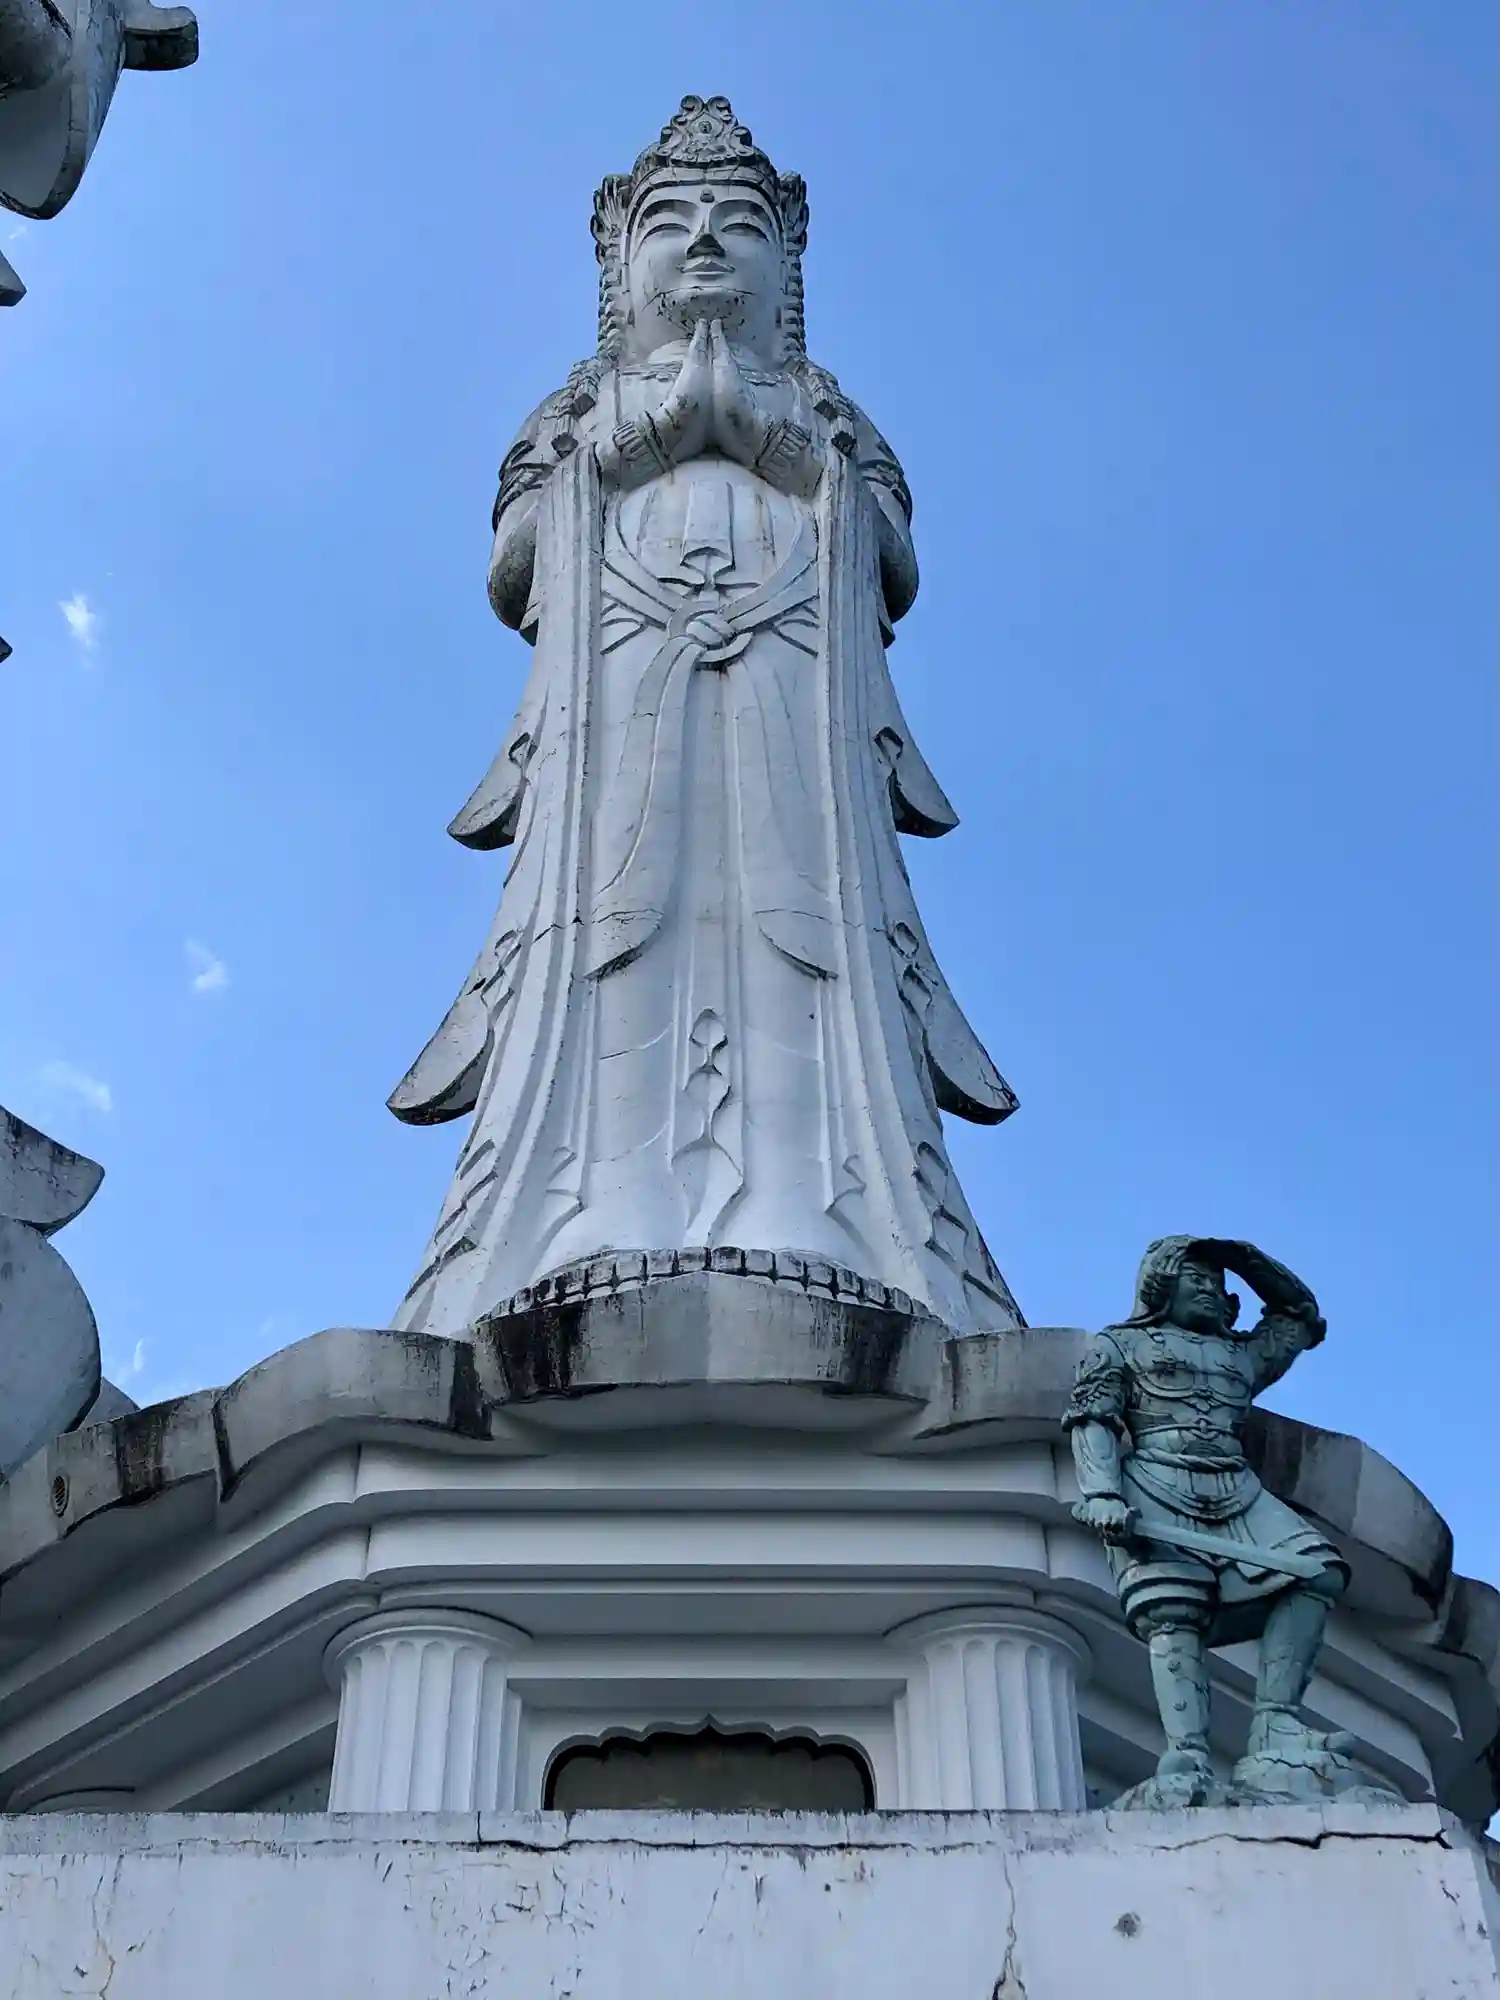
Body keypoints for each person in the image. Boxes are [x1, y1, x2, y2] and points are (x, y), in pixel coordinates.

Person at [1065, 1235, 1361, 1804]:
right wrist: (1102, 1492)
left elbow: (1299, 1314)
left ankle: (1275, 1721)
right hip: (1156, 1483)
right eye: (1194, 1278)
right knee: (1174, 1612)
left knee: (1315, 1572)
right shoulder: (1119, 1345)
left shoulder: (1240, 1356)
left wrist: (1244, 1259)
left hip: (1236, 1489)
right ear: (1161, 1286)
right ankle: (1187, 1751)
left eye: (1215, 1282)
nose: (1208, 1288)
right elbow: (1094, 1418)